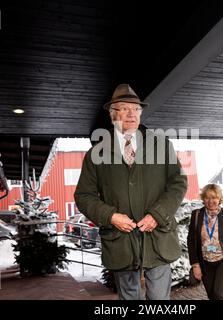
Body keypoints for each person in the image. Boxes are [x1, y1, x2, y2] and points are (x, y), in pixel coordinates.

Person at [74, 84, 188, 300]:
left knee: (159, 300)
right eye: (124, 108)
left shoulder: (161, 146)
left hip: (158, 238)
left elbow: (178, 183)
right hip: (120, 241)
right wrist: (111, 216)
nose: (131, 114)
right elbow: (84, 196)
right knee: (128, 298)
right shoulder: (95, 154)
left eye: (135, 109)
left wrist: (158, 214)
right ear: (112, 114)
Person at [187, 184, 223, 300]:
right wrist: (195, 265)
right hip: (204, 262)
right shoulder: (197, 215)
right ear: (203, 198)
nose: (211, 201)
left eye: (214, 197)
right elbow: (191, 241)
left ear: (219, 199)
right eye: (207, 197)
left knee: (219, 294)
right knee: (212, 296)